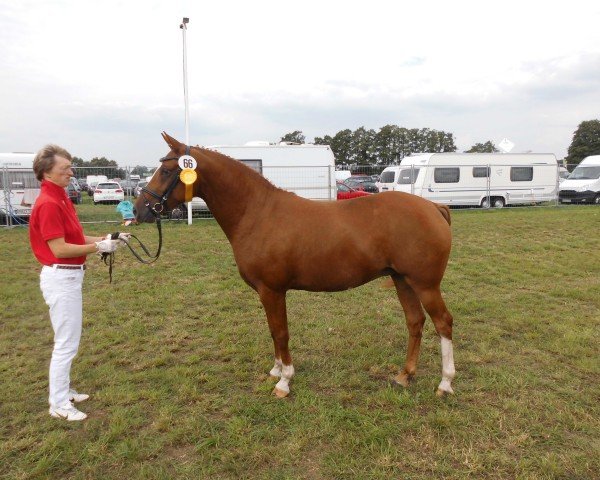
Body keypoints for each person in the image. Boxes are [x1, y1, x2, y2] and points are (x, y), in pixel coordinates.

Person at [29, 144, 126, 421]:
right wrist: (100, 249)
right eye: (65, 168)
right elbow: (60, 249)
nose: (71, 172)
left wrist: (107, 239)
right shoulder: (48, 203)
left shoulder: (59, 197)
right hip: (61, 277)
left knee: (70, 339)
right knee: (66, 343)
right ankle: (58, 403)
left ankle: (65, 390)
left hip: (69, 276)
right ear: (47, 172)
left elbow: (75, 238)